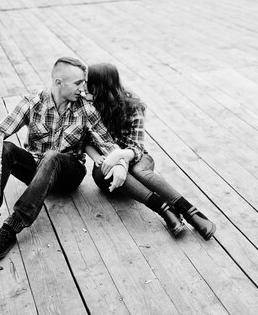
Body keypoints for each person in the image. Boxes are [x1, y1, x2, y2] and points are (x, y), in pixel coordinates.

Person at [0, 57, 128, 259]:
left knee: (52, 156)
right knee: (6, 148)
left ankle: (10, 229)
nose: (83, 88)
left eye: (83, 82)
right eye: (78, 83)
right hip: (36, 170)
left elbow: (107, 143)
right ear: (58, 82)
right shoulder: (33, 103)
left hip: (68, 174)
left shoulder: (86, 109)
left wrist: (121, 161)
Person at [85, 63, 216, 240]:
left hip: (137, 158)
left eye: (87, 82)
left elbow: (137, 147)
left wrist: (121, 156)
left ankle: (191, 213)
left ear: (97, 85)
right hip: (106, 168)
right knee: (105, 171)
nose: (84, 86)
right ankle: (165, 210)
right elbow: (83, 140)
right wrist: (103, 158)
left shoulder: (131, 105)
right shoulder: (87, 106)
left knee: (137, 170)